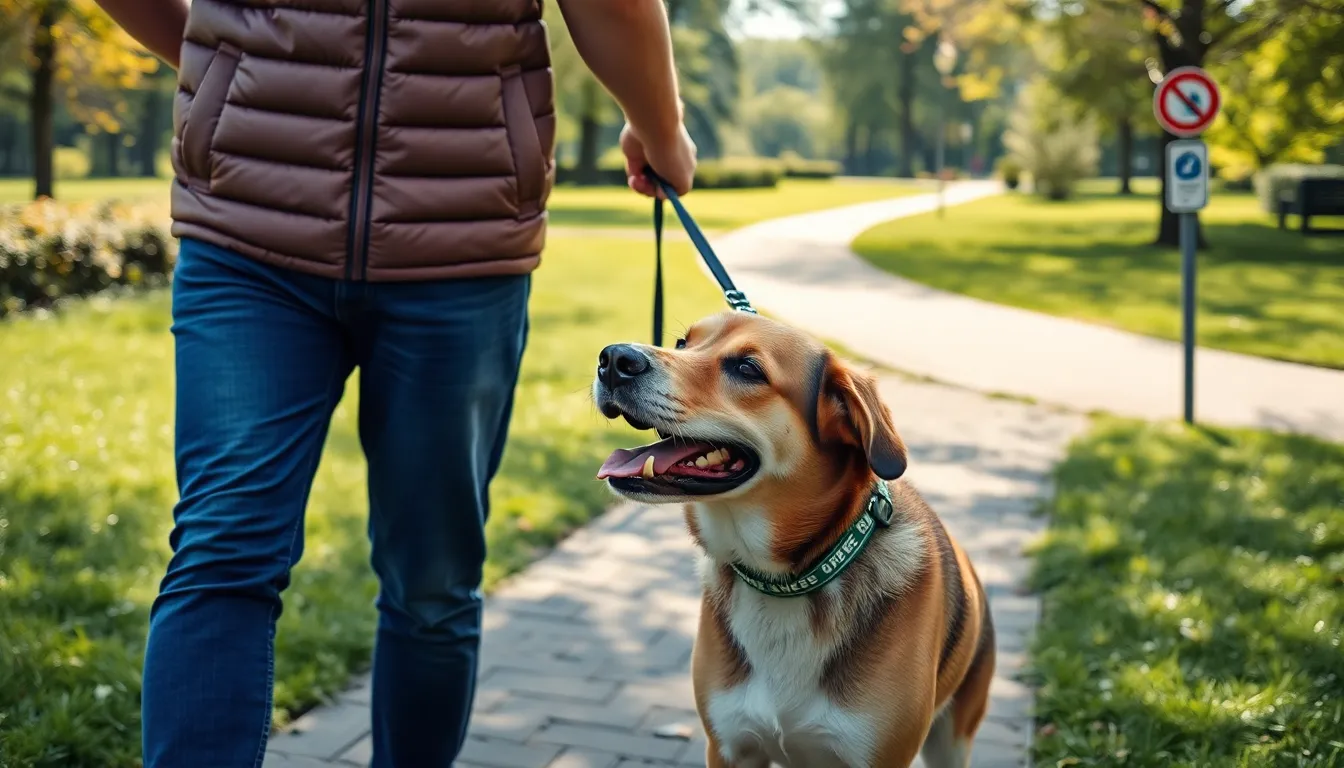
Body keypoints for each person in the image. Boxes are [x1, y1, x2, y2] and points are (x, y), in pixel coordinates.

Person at [86, 0, 697, 765]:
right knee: (247, 556)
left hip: (457, 245)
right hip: (250, 235)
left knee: (414, 579)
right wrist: (225, 64)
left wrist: (658, 126)